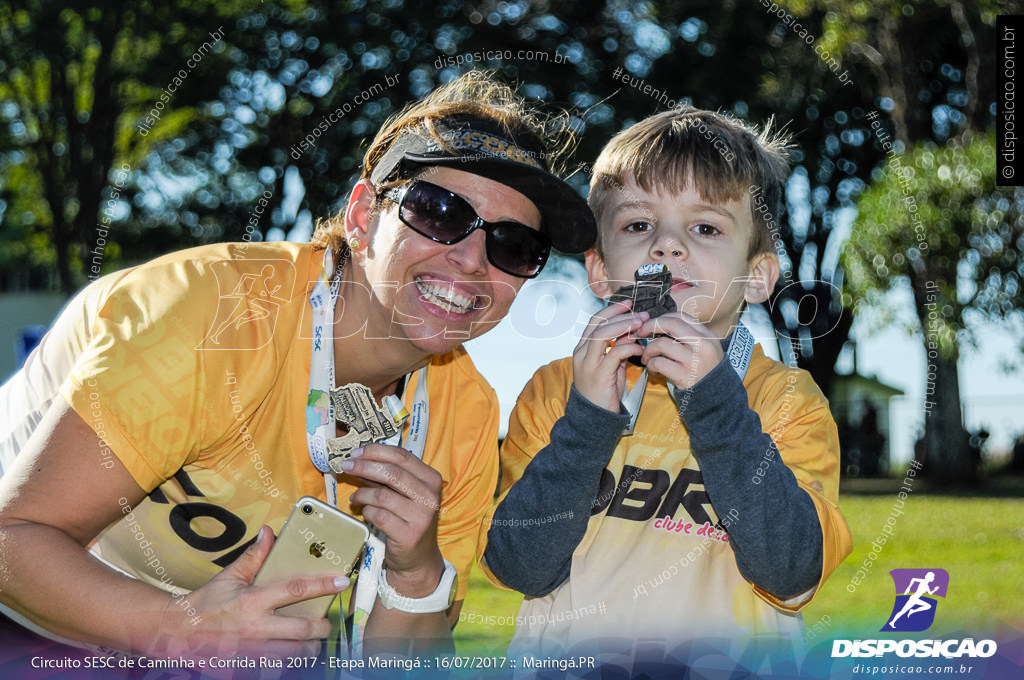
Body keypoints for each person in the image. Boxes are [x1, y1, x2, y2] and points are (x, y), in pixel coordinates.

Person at [0, 71, 595, 663]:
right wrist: (174, 627)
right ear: (363, 217)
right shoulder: (208, 313)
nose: (470, 260)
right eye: (438, 212)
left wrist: (414, 573)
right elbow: (13, 542)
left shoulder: (465, 414)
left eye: (515, 246)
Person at [477, 107, 852, 668]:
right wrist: (586, 420)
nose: (666, 246)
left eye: (704, 228)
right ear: (599, 270)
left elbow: (791, 572)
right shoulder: (558, 390)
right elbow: (520, 567)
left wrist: (714, 401)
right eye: (637, 225)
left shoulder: (787, 402)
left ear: (757, 277)